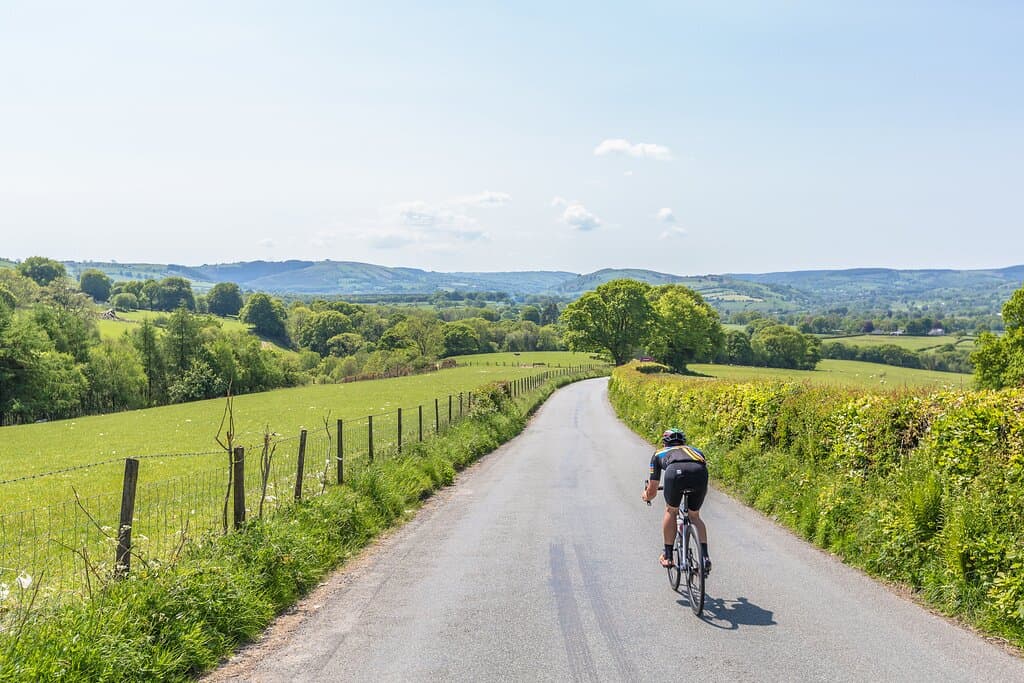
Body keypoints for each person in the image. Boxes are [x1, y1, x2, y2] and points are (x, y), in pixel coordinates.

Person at [641, 428, 711, 573]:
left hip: (675, 473)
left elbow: (652, 490)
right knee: (695, 515)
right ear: (684, 442)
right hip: (700, 473)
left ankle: (668, 555)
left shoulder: (659, 453)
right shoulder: (696, 451)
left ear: (664, 443)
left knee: (671, 511)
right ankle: (705, 558)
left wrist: (646, 496)